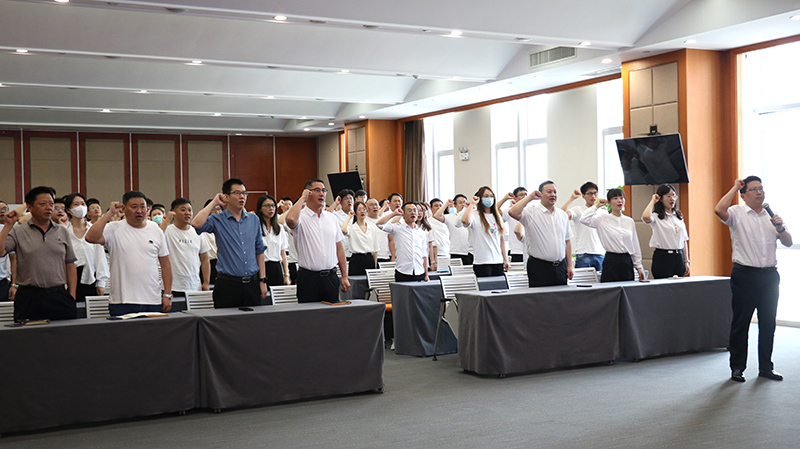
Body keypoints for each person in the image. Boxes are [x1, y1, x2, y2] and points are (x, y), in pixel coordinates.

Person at [715, 176, 791, 383]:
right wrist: (734, 187)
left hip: (770, 277)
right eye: (754, 189)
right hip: (745, 275)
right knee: (741, 323)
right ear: (743, 195)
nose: (759, 192)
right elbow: (718, 210)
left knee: (768, 323)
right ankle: (737, 368)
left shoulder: (771, 216)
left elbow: (788, 241)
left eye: (761, 188)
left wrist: (780, 227)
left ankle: (766, 367)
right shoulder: (736, 213)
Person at [86, 191, 172, 316]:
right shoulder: (113, 228)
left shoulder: (155, 229)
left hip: (152, 299)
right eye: (134, 207)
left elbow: (165, 264)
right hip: (122, 300)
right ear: (124, 208)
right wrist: (109, 214)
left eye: (143, 207)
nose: (139, 211)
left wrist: (167, 294)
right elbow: (90, 237)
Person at [0, 186, 78, 321]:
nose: (49, 208)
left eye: (51, 204)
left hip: (59, 295)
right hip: (29, 297)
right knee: (29, 334)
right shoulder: (18, 231)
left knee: (65, 333)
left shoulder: (62, 231)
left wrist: (72, 295)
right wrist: (8, 225)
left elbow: (70, 265)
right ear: (29, 207)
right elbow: (1, 252)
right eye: (43, 204)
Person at [192, 178, 268, 308]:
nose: (242, 197)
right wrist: (214, 202)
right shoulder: (217, 220)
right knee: (225, 320)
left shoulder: (254, 219)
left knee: (253, 320)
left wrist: (262, 280)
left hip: (252, 283)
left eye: (244, 193)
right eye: (237, 193)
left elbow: (259, 251)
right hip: (228, 285)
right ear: (226, 197)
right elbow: (196, 224)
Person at [284, 179, 350, 303]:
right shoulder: (300, 217)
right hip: (309, 278)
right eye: (317, 190)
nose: (322, 194)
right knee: (309, 313)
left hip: (331, 276)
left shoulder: (331, 218)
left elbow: (339, 248)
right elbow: (291, 220)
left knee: (332, 312)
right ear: (308, 193)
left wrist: (344, 276)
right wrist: (303, 197)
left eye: (324, 191)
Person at [509, 181, 574, 287]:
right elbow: (512, 212)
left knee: (561, 296)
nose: (553, 194)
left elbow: (567, 241)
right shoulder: (531, 212)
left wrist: (569, 265)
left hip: (560, 266)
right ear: (540, 194)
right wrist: (530, 197)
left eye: (555, 192)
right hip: (539, 266)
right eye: (549, 192)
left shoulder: (562, 215)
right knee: (540, 297)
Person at [580, 189, 645, 282]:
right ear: (609, 202)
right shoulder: (602, 219)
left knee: (627, 287)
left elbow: (635, 244)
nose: (619, 201)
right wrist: (596, 206)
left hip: (626, 260)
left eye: (621, 198)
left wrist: (639, 266)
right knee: (610, 288)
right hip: (611, 259)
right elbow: (583, 219)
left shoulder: (629, 221)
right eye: (615, 198)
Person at [63, 192, 109, 302]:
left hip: (90, 278)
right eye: (76, 204)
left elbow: (100, 257)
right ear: (69, 210)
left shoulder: (93, 230)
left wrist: (101, 282)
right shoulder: (64, 231)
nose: (80, 207)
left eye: (83, 204)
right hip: (68, 279)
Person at [163, 198, 211, 299]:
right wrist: (167, 220)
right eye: (183, 210)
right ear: (173, 212)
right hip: (173, 287)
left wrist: (206, 282)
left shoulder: (198, 233)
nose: (187, 213)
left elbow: (205, 259)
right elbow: (156, 238)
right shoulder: (167, 230)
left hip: (194, 286)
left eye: (190, 210)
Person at [642, 184, 690, 278]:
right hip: (663, 257)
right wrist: (653, 201)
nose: (672, 199)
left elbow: (684, 240)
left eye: (674, 196)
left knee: (679, 285)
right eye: (668, 196)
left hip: (678, 256)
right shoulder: (656, 216)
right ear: (661, 198)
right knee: (663, 284)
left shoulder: (678, 217)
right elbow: (646, 217)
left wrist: (686, 261)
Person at [460, 187, 509, 277]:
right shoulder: (475, 215)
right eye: (485, 196)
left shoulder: (497, 216)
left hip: (497, 260)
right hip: (482, 261)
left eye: (491, 196)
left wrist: (505, 259)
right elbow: (465, 221)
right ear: (480, 198)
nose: (489, 198)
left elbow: (501, 239)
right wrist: (472, 204)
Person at [376, 202, 429, 282]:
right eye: (409, 210)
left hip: (419, 272)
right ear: (403, 214)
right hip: (403, 272)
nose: (413, 213)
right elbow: (379, 224)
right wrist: (394, 214)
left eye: (415, 210)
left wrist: (426, 274)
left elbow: (423, 254)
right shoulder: (397, 228)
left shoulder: (421, 232)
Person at [561, 182, 606, 271]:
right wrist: (572, 198)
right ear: (583, 196)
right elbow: (562, 215)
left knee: (601, 279)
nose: (593, 196)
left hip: (600, 253)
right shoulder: (578, 210)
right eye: (590, 193)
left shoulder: (603, 212)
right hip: (584, 252)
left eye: (595, 193)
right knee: (583, 279)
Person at [256, 195, 290, 287]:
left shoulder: (279, 228)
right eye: (267, 206)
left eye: (273, 206)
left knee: (278, 294)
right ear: (260, 209)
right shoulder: (256, 227)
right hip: (261, 267)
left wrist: (286, 275)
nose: (271, 208)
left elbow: (283, 253)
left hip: (276, 268)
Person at [341, 201, 380, 275]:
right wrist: (349, 217)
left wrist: (375, 267)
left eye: (364, 209)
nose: (362, 211)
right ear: (355, 213)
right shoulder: (351, 228)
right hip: (356, 260)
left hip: (369, 259)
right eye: (359, 209)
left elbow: (375, 250)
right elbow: (342, 230)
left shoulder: (372, 228)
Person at [435, 194, 472, 265]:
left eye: (464, 202)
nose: (463, 205)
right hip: (455, 251)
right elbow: (437, 216)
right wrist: (446, 204)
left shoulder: (471, 217)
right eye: (460, 203)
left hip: (470, 251)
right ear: (455, 205)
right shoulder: (450, 217)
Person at [498, 187, 527, 263]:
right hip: (516, 251)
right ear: (515, 198)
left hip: (530, 251)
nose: (524, 197)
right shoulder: (510, 211)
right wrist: (505, 199)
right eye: (521, 195)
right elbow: (495, 210)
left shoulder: (531, 211)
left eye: (526, 194)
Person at [199, 198, 221, 286]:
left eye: (219, 209)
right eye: (213, 209)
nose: (217, 212)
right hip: (209, 263)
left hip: (222, 263)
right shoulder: (204, 228)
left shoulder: (225, 228)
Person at [365, 197, 395, 263]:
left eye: (376, 204)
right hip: (370, 256)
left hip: (385, 256)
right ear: (366, 208)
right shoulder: (364, 221)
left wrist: (393, 256)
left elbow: (391, 240)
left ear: (379, 207)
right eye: (371, 205)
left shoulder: (384, 221)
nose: (374, 207)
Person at [329, 189, 355, 259]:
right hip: (343, 252)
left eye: (351, 198)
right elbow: (327, 214)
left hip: (356, 253)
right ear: (340, 202)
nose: (349, 201)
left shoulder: (357, 214)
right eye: (346, 199)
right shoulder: (336, 215)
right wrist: (336, 203)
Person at [0, 201, 17, 302]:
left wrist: (14, 284)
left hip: (2, 281)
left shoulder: (9, 230)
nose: (2, 211)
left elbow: (13, 259)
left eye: (4, 209)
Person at [428, 198, 450, 269]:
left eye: (440, 206)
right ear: (431, 208)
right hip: (434, 255)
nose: (439, 208)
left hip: (446, 253)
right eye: (436, 206)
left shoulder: (446, 220)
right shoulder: (428, 221)